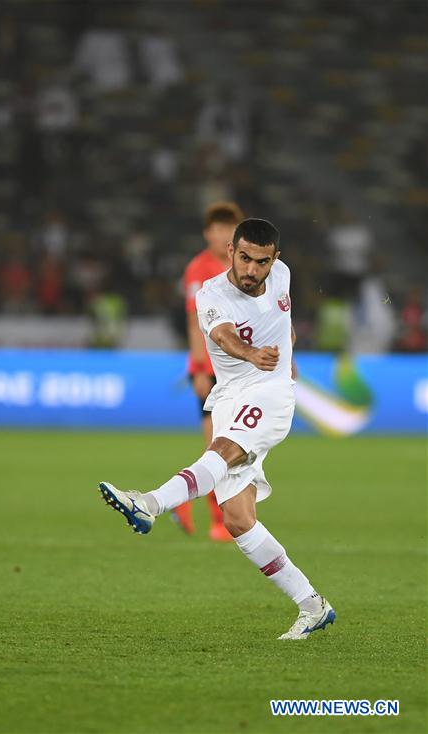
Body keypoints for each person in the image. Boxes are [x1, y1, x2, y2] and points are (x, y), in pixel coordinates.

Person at [98, 218, 335, 640]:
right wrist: (252, 353)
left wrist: (287, 355)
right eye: (244, 258)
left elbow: (286, 321)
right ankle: (312, 604)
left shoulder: (282, 276)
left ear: (275, 260)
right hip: (229, 397)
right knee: (238, 519)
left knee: (221, 452)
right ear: (231, 252)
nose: (251, 270)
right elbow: (225, 337)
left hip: (271, 395)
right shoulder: (211, 295)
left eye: (261, 262)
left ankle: (149, 503)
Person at [174, 201, 244, 542]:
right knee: (218, 446)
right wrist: (200, 368)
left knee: (233, 446)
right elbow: (194, 320)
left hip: (239, 366)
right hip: (211, 368)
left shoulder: (243, 264)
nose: (223, 235)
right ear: (207, 234)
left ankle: (180, 497)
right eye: (217, 230)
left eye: (228, 229)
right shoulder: (198, 268)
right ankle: (220, 521)